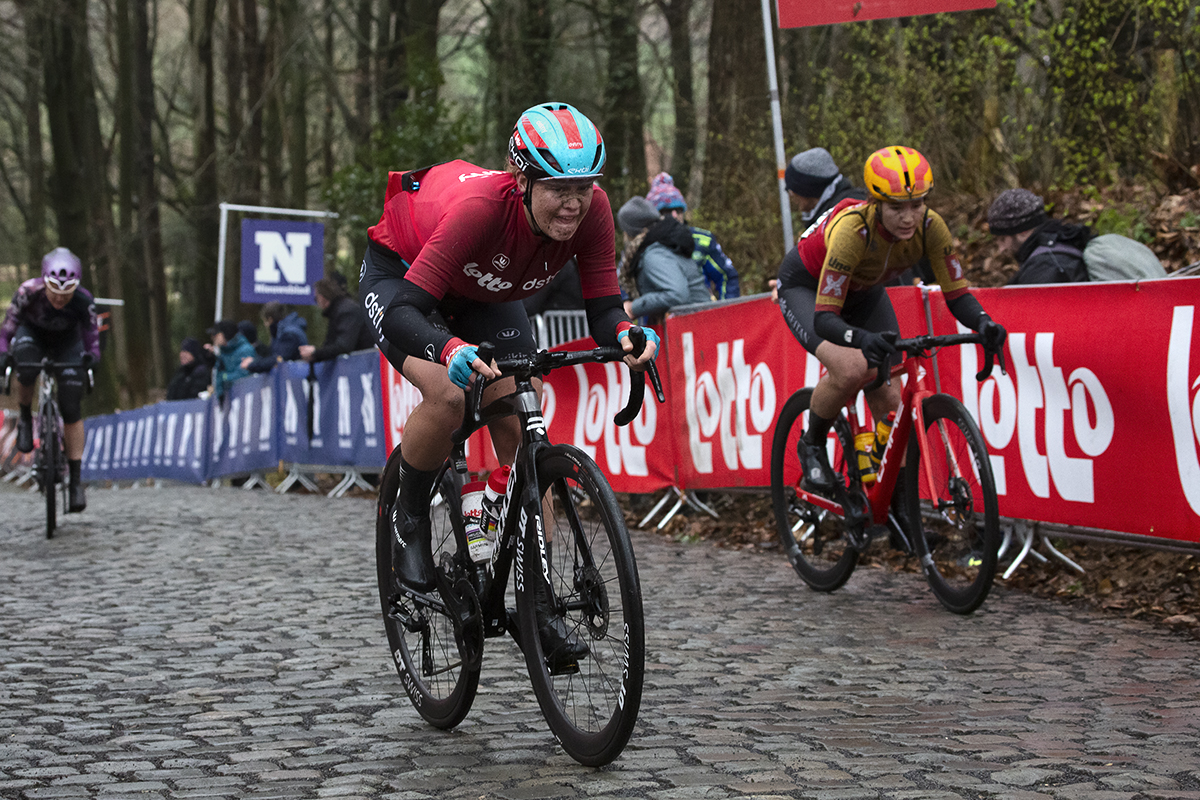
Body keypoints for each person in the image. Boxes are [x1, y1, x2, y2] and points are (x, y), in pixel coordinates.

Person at [358, 101, 658, 670]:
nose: (573, 203)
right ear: (521, 180)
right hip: (403, 277)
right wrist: (448, 348)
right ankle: (410, 519)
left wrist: (625, 334)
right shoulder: (479, 211)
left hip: (484, 292)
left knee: (522, 422)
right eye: (557, 188)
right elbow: (405, 314)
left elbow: (604, 305)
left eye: (585, 187)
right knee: (449, 395)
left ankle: (536, 601)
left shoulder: (592, 214)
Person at [774, 145, 1007, 531]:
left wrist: (984, 323)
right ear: (875, 202)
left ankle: (900, 519)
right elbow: (827, 318)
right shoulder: (853, 231)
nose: (909, 217)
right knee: (851, 369)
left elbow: (958, 295)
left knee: (891, 400)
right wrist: (859, 339)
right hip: (807, 289)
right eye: (897, 207)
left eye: (917, 204)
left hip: (865, 292)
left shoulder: (932, 227)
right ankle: (812, 442)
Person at [0, 247, 101, 512]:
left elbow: (92, 336)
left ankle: (76, 482)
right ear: (44, 283)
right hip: (32, 335)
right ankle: (24, 417)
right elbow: (6, 330)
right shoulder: (27, 292)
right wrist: (2, 355)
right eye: (54, 292)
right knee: (27, 367)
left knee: (71, 408)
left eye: (66, 294)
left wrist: (92, 357)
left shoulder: (83, 300)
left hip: (68, 342)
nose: (59, 298)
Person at [645, 172, 740, 299]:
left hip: (699, 313)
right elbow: (623, 284)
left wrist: (726, 313)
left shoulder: (703, 240)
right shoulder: (642, 243)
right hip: (658, 314)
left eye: (678, 210)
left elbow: (727, 276)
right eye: (666, 211)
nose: (674, 216)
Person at [617, 196, 711, 325]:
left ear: (630, 232)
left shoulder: (654, 254)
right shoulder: (663, 243)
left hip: (697, 326)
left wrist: (633, 308)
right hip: (696, 324)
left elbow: (677, 294)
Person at [987, 188, 1091, 284]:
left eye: (1003, 239)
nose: (1001, 249)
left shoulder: (1045, 268)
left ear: (1023, 231)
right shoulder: (1065, 242)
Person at [298, 276, 375, 364]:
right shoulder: (338, 311)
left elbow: (343, 346)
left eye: (316, 299)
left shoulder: (346, 311)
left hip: (363, 365)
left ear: (322, 297)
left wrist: (315, 353)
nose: (317, 303)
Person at [785, 147, 868, 225]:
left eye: (793, 189)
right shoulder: (848, 205)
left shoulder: (842, 215)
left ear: (807, 190)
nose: (791, 195)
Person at [242, 301, 308, 373]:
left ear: (270, 320)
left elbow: (279, 359)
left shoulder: (289, 335)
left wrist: (253, 364)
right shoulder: (281, 333)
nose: (265, 325)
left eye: (265, 321)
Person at [206, 319, 256, 401]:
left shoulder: (245, 350)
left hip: (243, 397)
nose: (213, 338)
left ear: (224, 334)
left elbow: (243, 375)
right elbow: (218, 375)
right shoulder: (223, 353)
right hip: (228, 401)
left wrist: (224, 377)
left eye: (215, 334)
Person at [166, 336, 215, 401]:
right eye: (182, 351)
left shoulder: (201, 371)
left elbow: (195, 394)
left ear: (194, 354)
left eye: (186, 352)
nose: (183, 355)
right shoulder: (180, 372)